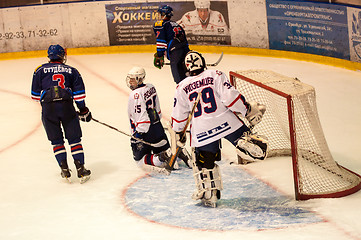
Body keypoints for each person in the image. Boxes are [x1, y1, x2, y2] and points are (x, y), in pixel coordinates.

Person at [171, 51, 269, 207]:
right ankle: (246, 143)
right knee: (245, 138)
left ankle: (210, 193)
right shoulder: (215, 74)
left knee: (203, 163)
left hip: (202, 130)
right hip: (227, 121)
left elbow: (179, 117)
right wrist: (246, 110)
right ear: (203, 63)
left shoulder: (181, 86)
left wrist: (178, 132)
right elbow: (231, 98)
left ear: (186, 68)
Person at [31, 44, 92, 183]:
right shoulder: (72, 71)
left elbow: (35, 96)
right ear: (62, 56)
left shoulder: (39, 70)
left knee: (56, 141)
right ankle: (81, 169)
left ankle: (64, 169)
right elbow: (79, 96)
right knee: (74, 139)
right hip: (66, 107)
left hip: (48, 109)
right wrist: (83, 110)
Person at [126, 67, 191, 174]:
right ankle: (178, 154)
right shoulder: (150, 87)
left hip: (145, 132)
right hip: (158, 128)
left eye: (133, 79)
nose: (130, 82)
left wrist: (138, 134)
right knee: (167, 153)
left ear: (140, 79)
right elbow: (158, 110)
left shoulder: (135, 94)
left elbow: (142, 118)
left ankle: (162, 157)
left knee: (140, 162)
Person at [153, 5, 190, 84]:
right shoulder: (176, 24)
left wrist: (160, 55)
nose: (159, 15)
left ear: (164, 14)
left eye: (160, 14)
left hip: (175, 51)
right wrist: (188, 53)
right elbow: (185, 41)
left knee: (178, 77)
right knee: (187, 73)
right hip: (184, 49)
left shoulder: (160, 24)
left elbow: (161, 41)